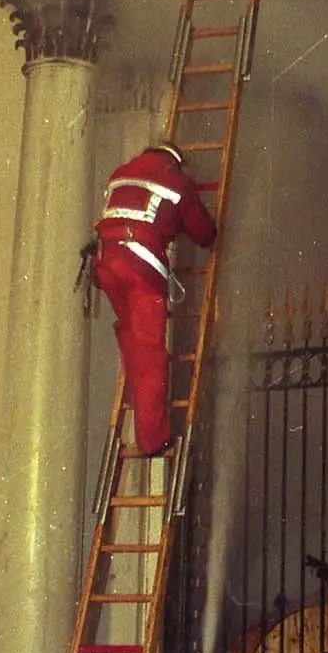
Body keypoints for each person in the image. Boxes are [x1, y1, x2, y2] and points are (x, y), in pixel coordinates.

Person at [92, 139, 216, 457]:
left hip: (106, 265)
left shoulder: (121, 173)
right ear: (175, 161)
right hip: (140, 270)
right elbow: (203, 232)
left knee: (134, 343)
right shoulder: (178, 182)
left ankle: (144, 419)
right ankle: (153, 439)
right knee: (152, 358)